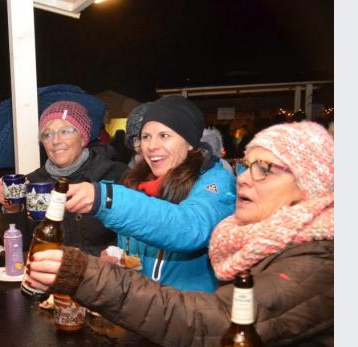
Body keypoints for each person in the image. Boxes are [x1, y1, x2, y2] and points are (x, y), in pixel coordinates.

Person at [26, 121, 334, 347]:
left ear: (308, 184)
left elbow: (219, 322)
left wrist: (86, 273)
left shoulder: (319, 258)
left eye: (265, 169)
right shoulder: (257, 239)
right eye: (247, 165)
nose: (243, 178)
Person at [64, 95, 236, 292]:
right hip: (145, 309)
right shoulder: (139, 181)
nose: (151, 146)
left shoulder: (215, 181)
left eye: (164, 135)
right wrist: (120, 260)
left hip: (190, 313)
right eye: (146, 136)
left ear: (189, 143)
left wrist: (107, 199)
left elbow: (190, 227)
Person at [0, 101, 128, 256]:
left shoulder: (115, 175)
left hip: (102, 275)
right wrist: (12, 209)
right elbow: (18, 248)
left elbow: (133, 236)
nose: (55, 141)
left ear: (83, 138)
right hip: (47, 275)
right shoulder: (32, 182)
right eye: (47, 134)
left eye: (65, 131)